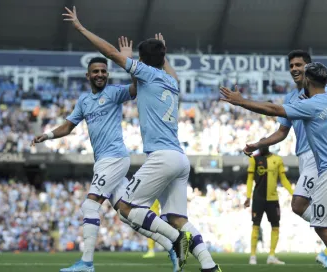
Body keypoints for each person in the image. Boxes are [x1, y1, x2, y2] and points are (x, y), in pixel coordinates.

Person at [62, 6, 221, 272]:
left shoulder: (147, 73)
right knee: (178, 217)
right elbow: (165, 68)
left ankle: (174, 239)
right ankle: (209, 265)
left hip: (162, 157)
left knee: (126, 206)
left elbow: (109, 53)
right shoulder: (172, 80)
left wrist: (81, 29)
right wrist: (163, 53)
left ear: (143, 62)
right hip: (180, 158)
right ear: (162, 58)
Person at [220, 62, 327, 272]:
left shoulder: (311, 104)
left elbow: (273, 109)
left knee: (322, 226)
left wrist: (241, 102)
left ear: (308, 80)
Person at [32, 55, 178, 272]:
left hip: (114, 158)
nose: (100, 74)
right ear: (88, 75)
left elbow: (135, 89)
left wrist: (130, 64)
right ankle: (172, 244)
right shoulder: (83, 100)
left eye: (103, 71)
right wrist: (48, 135)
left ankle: (87, 263)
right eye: (96, 71)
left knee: (90, 205)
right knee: (126, 213)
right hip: (103, 161)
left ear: (107, 74)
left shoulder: (114, 92)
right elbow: (68, 126)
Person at [245, 143, 293, 265]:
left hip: (273, 199)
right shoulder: (254, 159)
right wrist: (248, 196)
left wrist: (293, 193)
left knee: (275, 226)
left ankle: (271, 256)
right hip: (258, 198)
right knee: (255, 225)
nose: (262, 147)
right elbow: (250, 179)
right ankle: (252, 256)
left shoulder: (277, 159)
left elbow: (283, 179)